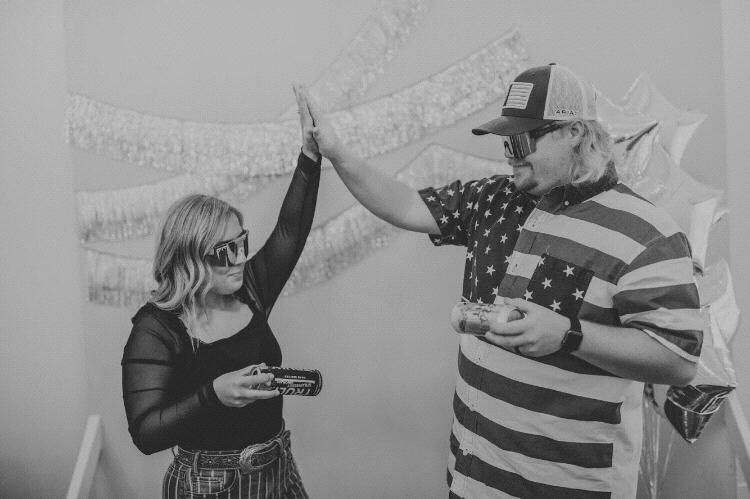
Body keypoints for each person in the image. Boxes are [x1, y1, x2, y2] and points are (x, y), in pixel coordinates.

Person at [300, 64, 702, 498]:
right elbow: (405, 205)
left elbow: (677, 361)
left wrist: (568, 334)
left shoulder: (647, 233)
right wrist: (338, 152)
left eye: (521, 141)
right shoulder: (495, 198)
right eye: (505, 141)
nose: (509, 154)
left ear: (574, 132)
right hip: (473, 479)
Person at [121, 85, 320, 499]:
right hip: (208, 485)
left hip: (278, 467)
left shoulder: (250, 289)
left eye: (241, 243)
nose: (240, 259)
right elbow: (146, 432)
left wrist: (310, 155)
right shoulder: (157, 329)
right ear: (188, 259)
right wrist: (214, 395)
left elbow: (290, 231)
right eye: (225, 251)